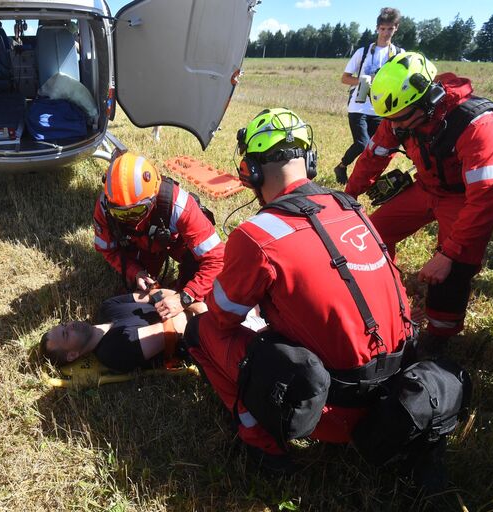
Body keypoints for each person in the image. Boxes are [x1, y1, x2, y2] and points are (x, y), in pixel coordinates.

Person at [185, 108, 415, 471]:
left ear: (253, 171)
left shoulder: (257, 235)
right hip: (397, 392)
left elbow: (223, 316)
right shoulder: (351, 208)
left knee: (201, 330)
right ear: (309, 161)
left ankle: (260, 442)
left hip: (332, 407)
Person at [345, 52, 493, 352]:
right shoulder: (401, 116)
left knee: (454, 269)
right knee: (371, 235)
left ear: (429, 98)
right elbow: (373, 157)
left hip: (464, 198)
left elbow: (486, 197)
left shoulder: (479, 124)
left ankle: (439, 335)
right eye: (389, 119)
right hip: (426, 189)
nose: (394, 126)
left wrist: (448, 255)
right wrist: (348, 197)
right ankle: (386, 295)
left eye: (400, 118)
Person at [93, 152, 224, 320]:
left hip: (176, 244)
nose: (130, 220)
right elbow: (108, 250)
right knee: (138, 292)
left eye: (137, 211)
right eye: (121, 214)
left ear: (153, 198)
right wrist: (136, 272)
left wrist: (185, 297)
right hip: (141, 246)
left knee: (202, 285)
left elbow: (218, 258)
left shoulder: (179, 205)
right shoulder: (105, 208)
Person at [40, 290, 206, 372]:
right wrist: (196, 305)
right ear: (72, 355)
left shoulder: (107, 308)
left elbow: (155, 293)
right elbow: (173, 331)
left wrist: (185, 298)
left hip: (192, 298)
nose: (70, 325)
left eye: (64, 324)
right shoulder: (113, 351)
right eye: (65, 334)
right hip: (205, 323)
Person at [334, 7, 403, 185]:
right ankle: (342, 166)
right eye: (383, 28)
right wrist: (366, 80)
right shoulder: (362, 52)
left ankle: (363, 179)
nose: (386, 32)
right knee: (362, 143)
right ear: (377, 28)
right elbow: (344, 78)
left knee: (375, 149)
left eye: (390, 28)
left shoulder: (399, 54)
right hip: (359, 105)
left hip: (382, 108)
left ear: (396, 28)